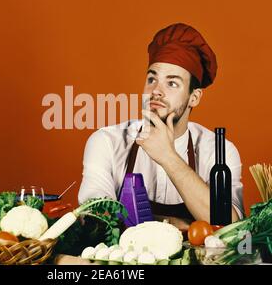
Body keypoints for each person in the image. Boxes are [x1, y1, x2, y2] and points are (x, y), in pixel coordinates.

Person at [78, 23, 244, 230]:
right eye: (151, 79)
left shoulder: (220, 152)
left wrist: (168, 157)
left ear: (194, 97)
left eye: (172, 83)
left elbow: (233, 229)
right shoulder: (107, 142)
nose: (156, 90)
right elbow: (94, 217)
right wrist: (173, 224)